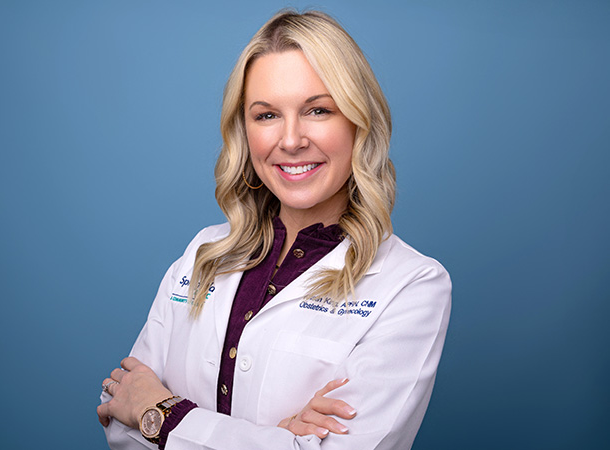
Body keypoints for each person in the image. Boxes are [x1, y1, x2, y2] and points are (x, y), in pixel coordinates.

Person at [97, 9, 451, 450]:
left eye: (318, 110)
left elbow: (144, 416)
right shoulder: (203, 253)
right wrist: (276, 439)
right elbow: (120, 416)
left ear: (359, 122)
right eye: (266, 115)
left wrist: (164, 415)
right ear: (244, 131)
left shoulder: (413, 285)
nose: (290, 139)